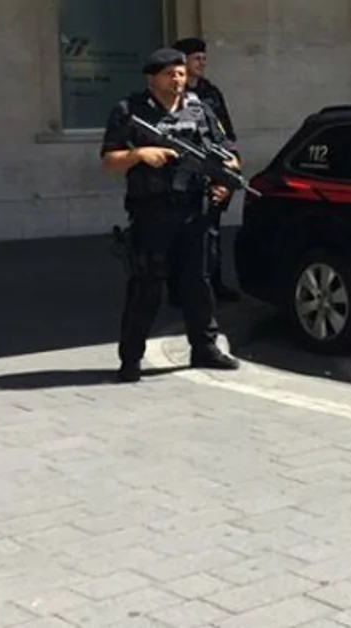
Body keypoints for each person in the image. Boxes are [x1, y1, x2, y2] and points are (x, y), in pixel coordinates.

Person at [100, 47, 241, 382]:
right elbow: (107, 163)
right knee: (147, 284)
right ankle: (131, 358)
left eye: (180, 73)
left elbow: (229, 154)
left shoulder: (201, 109)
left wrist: (225, 181)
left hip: (196, 210)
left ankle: (204, 348)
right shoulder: (129, 110)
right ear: (152, 78)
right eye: (169, 74)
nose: (177, 79)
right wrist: (139, 154)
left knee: (198, 282)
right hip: (153, 213)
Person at [169, 37, 241, 303]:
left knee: (211, 230)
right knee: (182, 233)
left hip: (212, 170)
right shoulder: (171, 92)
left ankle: (213, 283)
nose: (202, 63)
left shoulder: (210, 92)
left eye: (203, 58)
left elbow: (225, 130)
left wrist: (231, 160)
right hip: (183, 175)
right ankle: (178, 288)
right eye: (196, 58)